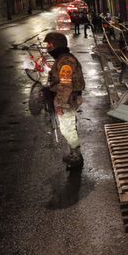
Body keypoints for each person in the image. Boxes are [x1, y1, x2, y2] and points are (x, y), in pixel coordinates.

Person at [44, 32, 86, 169]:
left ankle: (76, 157)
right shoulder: (62, 59)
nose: (47, 47)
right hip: (68, 98)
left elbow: (65, 85)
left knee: (67, 128)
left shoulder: (65, 61)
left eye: (49, 44)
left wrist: (60, 104)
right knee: (69, 126)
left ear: (56, 44)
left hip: (67, 99)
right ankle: (74, 152)